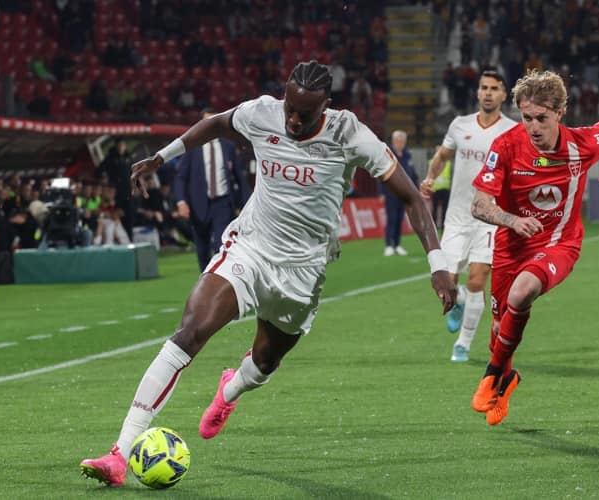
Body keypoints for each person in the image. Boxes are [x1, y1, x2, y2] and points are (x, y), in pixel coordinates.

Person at [79, 60, 457, 487]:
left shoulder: (349, 133)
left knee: (264, 361)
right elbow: (217, 124)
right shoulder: (263, 112)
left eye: (305, 114)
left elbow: (410, 197)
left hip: (303, 271)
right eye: (290, 109)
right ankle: (119, 454)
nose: (293, 120)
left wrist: (438, 264)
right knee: (190, 331)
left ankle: (230, 390)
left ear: (326, 107)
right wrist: (161, 158)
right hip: (251, 247)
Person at [468, 69, 599, 426]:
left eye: (542, 118)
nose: (534, 127)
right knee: (498, 330)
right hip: (511, 246)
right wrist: (511, 220)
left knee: (523, 291)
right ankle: (507, 379)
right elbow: (478, 205)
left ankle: (491, 373)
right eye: (527, 118)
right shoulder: (507, 146)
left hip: (559, 243)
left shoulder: (581, 144)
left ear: (560, 112)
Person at [420, 70, 517, 363]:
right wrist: (430, 177)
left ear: (503, 95)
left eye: (494, 89)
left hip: (489, 217)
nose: (488, 93)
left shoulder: (512, 131)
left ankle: (462, 344)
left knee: (477, 280)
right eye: (484, 87)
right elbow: (442, 156)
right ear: (478, 92)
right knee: (444, 282)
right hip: (457, 218)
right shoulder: (459, 125)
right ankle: (458, 300)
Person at [174, 109, 252, 271]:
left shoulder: (228, 148)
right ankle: (205, 283)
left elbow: (240, 179)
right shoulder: (192, 148)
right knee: (202, 250)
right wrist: (181, 201)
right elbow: (181, 177)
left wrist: (247, 205)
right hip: (198, 205)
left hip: (222, 203)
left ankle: (221, 280)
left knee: (221, 245)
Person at [380, 130, 418, 257]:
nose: (400, 143)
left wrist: (415, 190)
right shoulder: (388, 154)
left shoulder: (407, 155)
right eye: (398, 141)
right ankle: (388, 245)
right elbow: (380, 172)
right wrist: (381, 192)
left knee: (399, 219)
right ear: (393, 141)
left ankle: (397, 245)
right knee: (391, 218)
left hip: (404, 193)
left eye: (402, 141)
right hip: (391, 192)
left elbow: (412, 174)